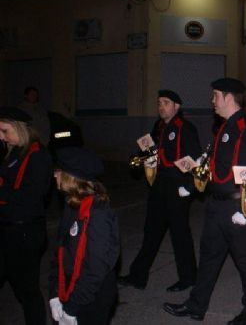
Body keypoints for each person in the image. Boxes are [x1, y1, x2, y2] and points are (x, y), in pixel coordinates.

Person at [164, 78, 246, 325]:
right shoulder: (224, 126)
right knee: (209, 257)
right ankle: (196, 306)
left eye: (215, 96)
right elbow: (216, 165)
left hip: (235, 207)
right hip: (216, 204)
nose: (212, 101)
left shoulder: (245, 127)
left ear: (229, 97)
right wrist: (194, 183)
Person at [119, 90, 200, 292]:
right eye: (159, 103)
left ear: (176, 106)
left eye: (166, 102)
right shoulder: (159, 126)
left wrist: (188, 187)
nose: (161, 106)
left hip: (176, 186)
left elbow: (195, 159)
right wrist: (140, 157)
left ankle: (188, 277)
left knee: (180, 234)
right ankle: (138, 276)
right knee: (151, 232)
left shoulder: (185, 128)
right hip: (159, 185)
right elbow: (151, 149)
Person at [48, 147, 119, 325]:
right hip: (72, 291)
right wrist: (54, 293)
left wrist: (72, 308)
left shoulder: (98, 214)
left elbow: (96, 268)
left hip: (90, 296)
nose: (54, 175)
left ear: (71, 178)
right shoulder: (71, 205)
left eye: (58, 171)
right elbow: (60, 253)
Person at [0, 107, 52, 325]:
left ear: (20, 130)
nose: (1, 137)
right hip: (7, 228)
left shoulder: (38, 156)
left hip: (25, 232)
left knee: (27, 291)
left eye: (5, 131)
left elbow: (31, 196)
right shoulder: (13, 151)